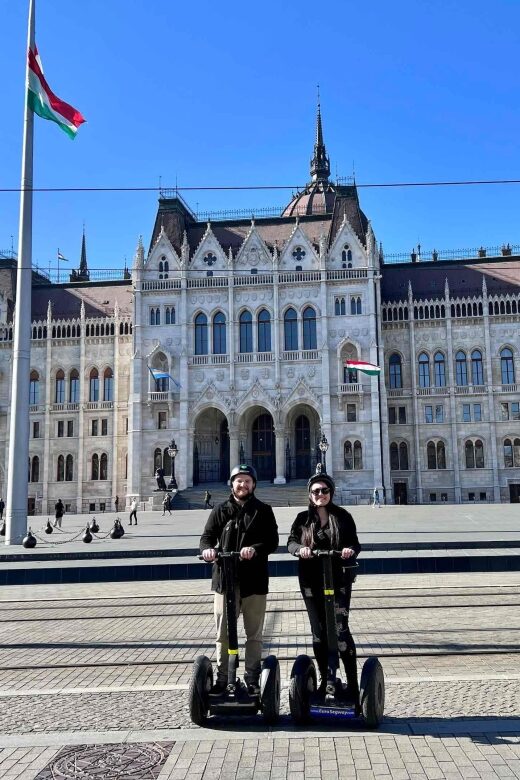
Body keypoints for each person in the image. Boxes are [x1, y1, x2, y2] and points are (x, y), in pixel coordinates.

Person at [199, 464, 279, 695]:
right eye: (238, 480)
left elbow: (272, 541)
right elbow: (206, 537)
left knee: (254, 634)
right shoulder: (220, 510)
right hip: (225, 581)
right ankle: (224, 677)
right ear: (231, 484)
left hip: (254, 581)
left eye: (247, 481)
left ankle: (252, 677)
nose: (242, 485)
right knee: (222, 634)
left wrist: (254, 549)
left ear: (254, 484)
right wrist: (208, 550)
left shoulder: (263, 510)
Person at [288, 466, 361, 705]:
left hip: (338, 580)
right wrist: (300, 549)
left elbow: (355, 543)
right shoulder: (302, 519)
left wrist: (349, 550)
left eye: (325, 490)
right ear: (309, 494)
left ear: (331, 492)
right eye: (317, 490)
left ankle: (352, 683)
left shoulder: (343, 517)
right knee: (318, 633)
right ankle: (324, 680)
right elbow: (291, 542)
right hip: (310, 581)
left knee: (340, 631)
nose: (321, 494)